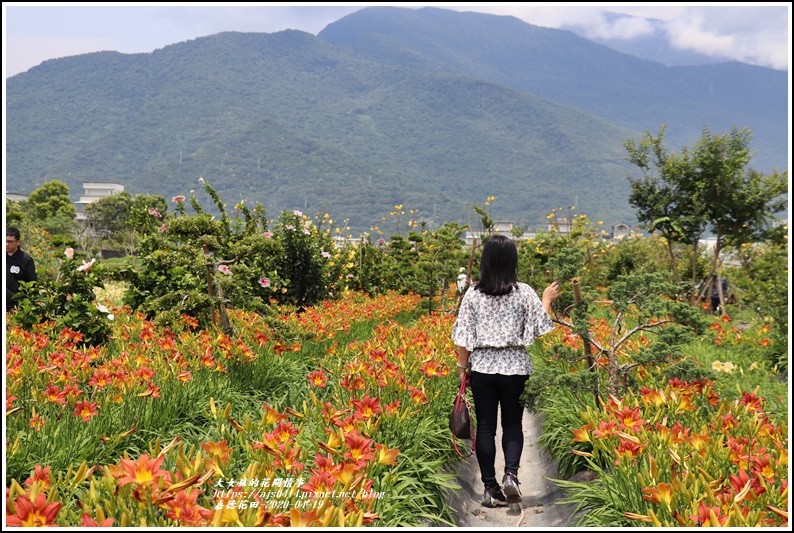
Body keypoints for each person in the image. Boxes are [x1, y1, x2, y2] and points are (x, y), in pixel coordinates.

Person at [451, 234, 560, 508]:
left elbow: (464, 338)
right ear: (513, 261)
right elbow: (540, 327)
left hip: (484, 367)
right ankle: (511, 475)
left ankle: (489, 488)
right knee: (512, 424)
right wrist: (546, 299)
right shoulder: (523, 292)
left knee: (486, 427)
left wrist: (462, 370)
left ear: (485, 261)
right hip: (515, 367)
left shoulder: (473, 294)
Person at [6, 227, 37, 313]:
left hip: (16, 306)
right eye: (5, 241)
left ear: (18, 242)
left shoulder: (26, 260)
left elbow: (32, 283)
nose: (7, 244)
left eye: (10, 242)